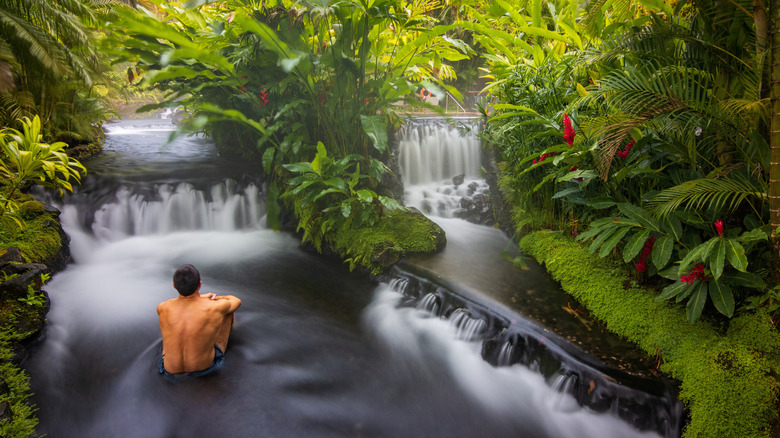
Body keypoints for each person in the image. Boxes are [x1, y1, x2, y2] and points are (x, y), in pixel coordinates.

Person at [157, 264, 241, 377]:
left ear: (174, 286)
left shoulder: (162, 307)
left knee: (171, 323)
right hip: (205, 369)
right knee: (227, 313)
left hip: (168, 371)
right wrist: (214, 298)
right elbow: (236, 301)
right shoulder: (215, 307)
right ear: (199, 285)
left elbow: (179, 302)